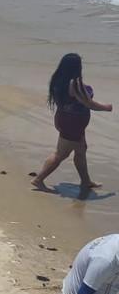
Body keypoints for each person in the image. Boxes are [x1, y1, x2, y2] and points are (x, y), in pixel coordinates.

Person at [32, 53, 112, 194]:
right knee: (61, 154)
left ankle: (86, 181)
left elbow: (64, 103)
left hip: (66, 119)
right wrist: (107, 107)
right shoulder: (74, 84)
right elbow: (89, 103)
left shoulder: (58, 80)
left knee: (81, 150)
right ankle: (38, 179)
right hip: (72, 124)